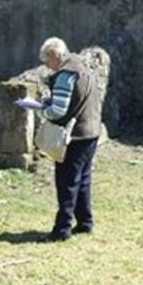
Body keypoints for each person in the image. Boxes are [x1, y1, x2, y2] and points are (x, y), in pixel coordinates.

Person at [37, 37, 103, 241]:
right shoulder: (82, 67)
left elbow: (58, 111)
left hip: (75, 135)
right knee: (82, 179)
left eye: (47, 61)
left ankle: (62, 229)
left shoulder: (66, 74)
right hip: (91, 131)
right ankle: (85, 222)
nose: (47, 66)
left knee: (66, 181)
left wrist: (41, 109)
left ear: (54, 55)